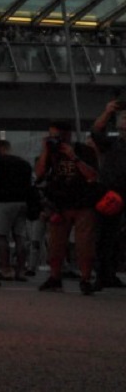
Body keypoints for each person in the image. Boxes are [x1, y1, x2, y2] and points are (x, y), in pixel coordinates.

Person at [35, 122, 100, 295]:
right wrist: (45, 151)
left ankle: (85, 279)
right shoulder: (51, 152)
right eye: (51, 136)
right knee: (56, 243)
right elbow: (39, 173)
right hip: (60, 204)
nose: (55, 140)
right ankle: (55, 278)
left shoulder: (85, 151)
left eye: (57, 136)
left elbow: (92, 176)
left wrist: (74, 157)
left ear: (67, 135)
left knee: (84, 244)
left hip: (83, 204)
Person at [90, 98, 126, 290]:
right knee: (106, 235)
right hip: (112, 193)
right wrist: (108, 112)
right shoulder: (113, 143)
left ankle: (108, 273)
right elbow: (95, 132)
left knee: (111, 236)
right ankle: (104, 275)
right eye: (122, 117)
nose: (123, 120)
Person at [0, 139, 32, 281]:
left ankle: (6, 269)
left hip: (4, 202)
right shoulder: (24, 164)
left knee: (1, 236)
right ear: (9, 147)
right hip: (22, 202)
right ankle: (20, 271)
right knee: (20, 237)